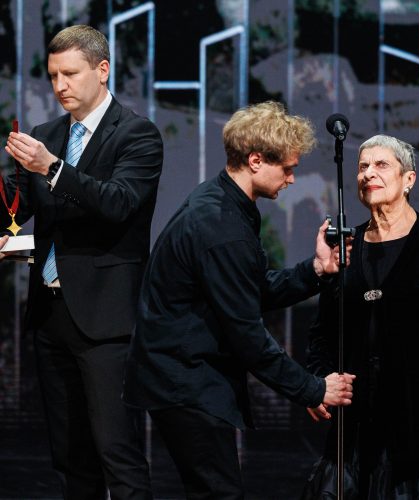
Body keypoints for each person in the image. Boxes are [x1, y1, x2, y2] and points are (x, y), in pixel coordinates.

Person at [123, 101, 355, 499]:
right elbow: (247, 334)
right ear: (255, 160)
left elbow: (251, 289)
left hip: (186, 376)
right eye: (287, 168)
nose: (292, 179)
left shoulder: (227, 204)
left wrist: (316, 271)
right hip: (185, 382)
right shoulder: (220, 224)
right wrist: (312, 389)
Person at [2, 25, 163, 499]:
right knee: (71, 458)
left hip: (106, 321)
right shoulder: (45, 135)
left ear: (102, 69)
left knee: (118, 452)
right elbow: (16, 210)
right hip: (51, 315)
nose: (60, 85)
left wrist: (52, 167)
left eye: (70, 73)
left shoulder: (137, 134)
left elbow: (117, 203)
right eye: (53, 75)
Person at [301, 134, 419, 499]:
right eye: (362, 167)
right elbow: (322, 334)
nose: (368, 173)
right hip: (355, 437)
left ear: (409, 179)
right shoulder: (344, 250)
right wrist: (318, 381)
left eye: (381, 165)